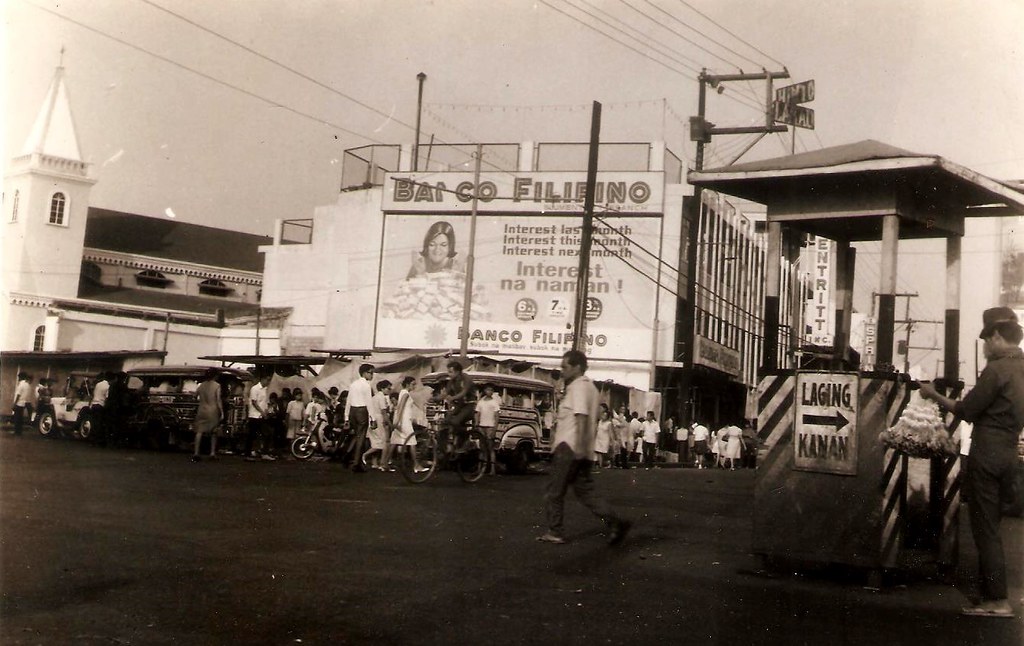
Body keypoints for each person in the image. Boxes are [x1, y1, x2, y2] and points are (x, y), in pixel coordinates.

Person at [919, 306, 1023, 618]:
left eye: (986, 340)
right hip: (1008, 455)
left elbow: (966, 410)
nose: (985, 346)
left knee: (985, 530)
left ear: (995, 337)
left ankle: (996, 600)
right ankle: (993, 592)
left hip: (987, 454)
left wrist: (933, 394)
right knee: (995, 528)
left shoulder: (996, 370)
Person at [537, 350, 631, 546]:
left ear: (577, 367)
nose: (562, 371)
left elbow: (580, 417)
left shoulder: (578, 388)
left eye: (565, 367)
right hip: (584, 449)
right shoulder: (593, 389)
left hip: (569, 447)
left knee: (554, 491)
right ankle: (615, 522)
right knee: (585, 492)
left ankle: (556, 531)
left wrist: (577, 448)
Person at [391, 376, 426, 473]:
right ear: (407, 384)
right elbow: (400, 407)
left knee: (397, 441)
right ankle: (416, 465)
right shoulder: (405, 393)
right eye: (413, 384)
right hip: (404, 421)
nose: (414, 386)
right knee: (412, 442)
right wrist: (397, 421)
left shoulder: (404, 393)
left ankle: (386, 462)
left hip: (405, 420)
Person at [344, 363, 375, 473]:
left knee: (357, 436)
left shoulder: (353, 384)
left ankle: (348, 455)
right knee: (361, 438)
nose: (372, 375)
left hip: (353, 411)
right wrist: (373, 418)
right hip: (362, 411)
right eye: (371, 373)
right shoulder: (366, 386)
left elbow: (348, 401)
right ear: (364, 373)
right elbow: (369, 403)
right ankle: (356, 463)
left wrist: (346, 417)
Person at [441, 360, 476, 450]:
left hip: (469, 405)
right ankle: (445, 445)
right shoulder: (451, 381)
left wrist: (452, 398)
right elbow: (445, 393)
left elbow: (463, 393)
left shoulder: (466, 379)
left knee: (455, 422)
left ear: (458, 372)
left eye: (451, 372)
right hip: (459, 405)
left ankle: (464, 438)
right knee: (445, 421)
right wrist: (434, 398)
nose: (449, 374)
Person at [192, 368, 222, 462]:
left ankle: (196, 453)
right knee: (214, 432)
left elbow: (194, 396)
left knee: (199, 431)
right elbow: (218, 400)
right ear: (215, 375)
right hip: (212, 410)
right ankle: (212, 453)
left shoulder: (201, 385)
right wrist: (222, 412)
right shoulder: (217, 385)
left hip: (202, 409)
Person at [364, 380, 393, 470]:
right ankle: (382, 463)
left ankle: (375, 463)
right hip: (379, 419)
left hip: (373, 419)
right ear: (382, 388)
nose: (389, 390)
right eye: (388, 388)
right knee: (384, 443)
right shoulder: (381, 398)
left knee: (376, 442)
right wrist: (390, 424)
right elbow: (383, 412)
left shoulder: (374, 398)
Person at [245, 374, 275, 461]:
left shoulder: (265, 390)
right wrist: (262, 411)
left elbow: (265, 402)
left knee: (267, 433)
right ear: (263, 379)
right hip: (254, 415)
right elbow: (254, 402)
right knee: (252, 435)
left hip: (261, 416)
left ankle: (264, 452)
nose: (268, 382)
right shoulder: (255, 389)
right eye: (267, 380)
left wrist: (266, 410)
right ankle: (248, 454)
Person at [474, 383, 501, 475]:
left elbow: (497, 416)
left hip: (490, 426)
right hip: (482, 426)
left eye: (491, 390)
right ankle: (480, 468)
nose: (489, 391)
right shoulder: (481, 401)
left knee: (490, 448)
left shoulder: (494, 402)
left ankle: (492, 469)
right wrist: (476, 424)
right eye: (487, 389)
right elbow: (477, 413)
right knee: (482, 448)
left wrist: (494, 429)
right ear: (485, 390)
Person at [91, 372, 111, 444]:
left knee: (94, 422)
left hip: (94, 403)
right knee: (100, 423)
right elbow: (107, 397)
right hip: (101, 405)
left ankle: (92, 438)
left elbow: (94, 393)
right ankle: (98, 439)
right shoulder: (108, 386)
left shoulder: (98, 384)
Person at [11, 372, 33, 436]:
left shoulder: (21, 385)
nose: (18, 378)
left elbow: (18, 395)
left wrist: (14, 404)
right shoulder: (28, 385)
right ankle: (19, 432)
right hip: (24, 403)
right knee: (20, 418)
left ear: (21, 377)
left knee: (17, 418)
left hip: (19, 403)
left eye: (19, 377)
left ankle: (16, 432)